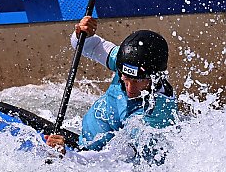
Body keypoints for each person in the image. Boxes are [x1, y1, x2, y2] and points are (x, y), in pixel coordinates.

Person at [45, 16, 178, 164]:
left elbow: (118, 158)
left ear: (155, 77)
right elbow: (88, 46)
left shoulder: (157, 112)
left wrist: (68, 157)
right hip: (82, 148)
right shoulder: (124, 61)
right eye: (125, 78)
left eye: (137, 81)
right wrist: (83, 34)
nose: (130, 90)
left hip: (114, 164)